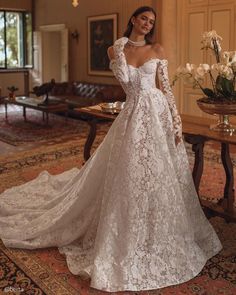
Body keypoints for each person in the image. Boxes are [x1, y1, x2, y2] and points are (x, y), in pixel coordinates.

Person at [0, 6, 222, 292]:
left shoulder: (158, 48)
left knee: (161, 172)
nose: (147, 24)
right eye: (144, 18)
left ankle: (160, 227)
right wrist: (119, 52)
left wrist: (176, 123)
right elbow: (127, 84)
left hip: (156, 113)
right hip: (133, 114)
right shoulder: (114, 50)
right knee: (129, 172)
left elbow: (165, 88)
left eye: (151, 21)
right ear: (134, 19)